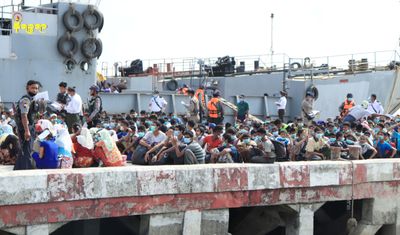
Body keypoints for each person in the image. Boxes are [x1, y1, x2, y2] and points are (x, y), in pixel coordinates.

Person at [14, 80, 40, 170]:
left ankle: (19, 168)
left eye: (36, 88)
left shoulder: (33, 100)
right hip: (25, 128)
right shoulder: (25, 100)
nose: (35, 90)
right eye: (33, 88)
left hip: (30, 127)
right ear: (27, 88)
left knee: (26, 149)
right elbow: (24, 115)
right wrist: (27, 131)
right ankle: (25, 169)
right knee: (27, 150)